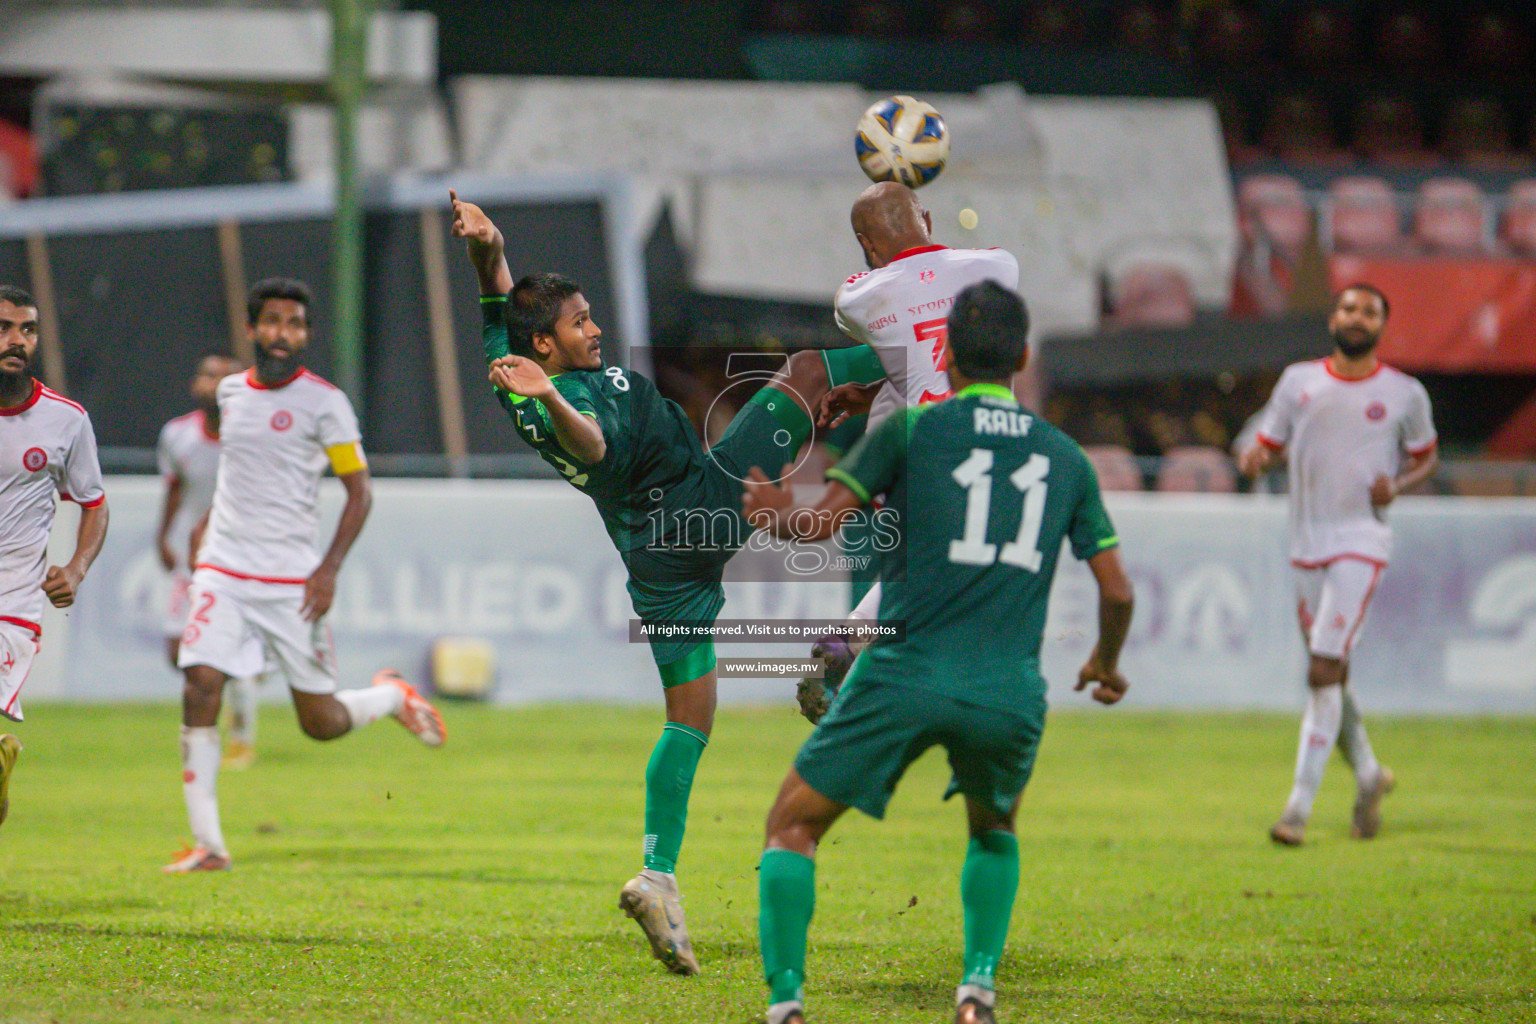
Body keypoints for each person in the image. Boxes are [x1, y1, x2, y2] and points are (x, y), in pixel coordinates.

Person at [450, 190, 833, 975]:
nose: (595, 330)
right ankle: (939, 387)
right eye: (582, 323)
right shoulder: (561, 396)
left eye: (591, 315)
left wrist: (488, 243)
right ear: (547, 350)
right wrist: (554, 397)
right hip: (702, 504)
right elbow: (590, 449)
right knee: (812, 367)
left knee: (689, 715)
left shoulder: (511, 354)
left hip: (655, 561)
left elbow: (499, 292)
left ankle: (658, 876)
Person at [741, 281, 1135, 1024]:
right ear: (1022, 356)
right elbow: (1117, 590)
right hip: (1006, 691)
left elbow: (822, 527)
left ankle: (787, 1004)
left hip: (902, 677)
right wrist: (1106, 662)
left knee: (792, 825)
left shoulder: (911, 432)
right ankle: (977, 991)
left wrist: (773, 513)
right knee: (993, 829)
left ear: (945, 354)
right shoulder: (1067, 458)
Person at [165, 278, 446, 873]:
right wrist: (205, 525)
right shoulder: (232, 393)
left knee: (320, 724)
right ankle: (209, 844)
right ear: (252, 330)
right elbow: (242, 473)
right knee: (200, 683)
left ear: (307, 334)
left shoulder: (325, 403)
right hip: (224, 568)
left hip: (293, 580)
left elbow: (359, 493)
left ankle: (391, 695)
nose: (282, 334)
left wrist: (328, 570)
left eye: (295, 324)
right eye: (271, 322)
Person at [803, 180, 1022, 722]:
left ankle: (849, 647)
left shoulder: (858, 296)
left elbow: (908, 351)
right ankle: (893, 682)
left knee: (925, 572)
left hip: (916, 456)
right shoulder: (998, 267)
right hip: (988, 448)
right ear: (927, 215)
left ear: (865, 242)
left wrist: (871, 390)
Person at [1238, 283, 1437, 847]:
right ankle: (1370, 776)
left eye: (1370, 311)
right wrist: (1258, 456)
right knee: (1332, 674)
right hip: (1305, 542)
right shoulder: (1298, 382)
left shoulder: (1404, 393)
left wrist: (1396, 484)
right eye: (1349, 307)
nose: (1357, 317)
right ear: (1334, 317)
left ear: (1381, 326)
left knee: (1323, 669)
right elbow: (1269, 444)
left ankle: (1296, 810)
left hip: (1361, 541)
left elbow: (1427, 456)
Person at [0, 285, 110, 829]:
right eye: (3, 328)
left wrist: (76, 567)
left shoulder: (66, 421)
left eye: (27, 329)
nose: (16, 340)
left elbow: (93, 502)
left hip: (11, 601)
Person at [156, 353, 263, 769]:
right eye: (206, 374)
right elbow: (175, 489)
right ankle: (234, 693)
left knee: (223, 649)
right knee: (176, 649)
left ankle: (240, 738)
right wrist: (163, 537)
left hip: (240, 557)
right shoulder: (177, 434)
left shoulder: (255, 436)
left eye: (224, 376)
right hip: (192, 556)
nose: (213, 383)